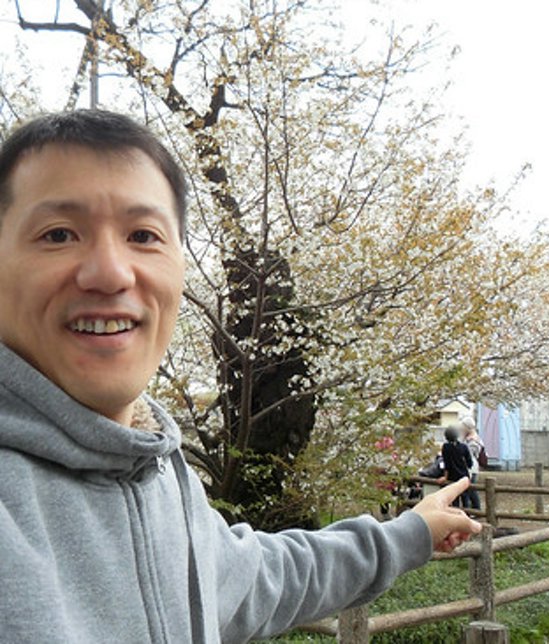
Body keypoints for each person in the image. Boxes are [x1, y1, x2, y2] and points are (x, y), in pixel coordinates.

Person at [0, 109, 481, 642]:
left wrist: (408, 534)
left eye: (143, 235)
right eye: (59, 233)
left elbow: (255, 577)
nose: (111, 272)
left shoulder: (159, 471)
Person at [439, 427, 473, 509]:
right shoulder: (463, 447)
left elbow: (447, 463)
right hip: (463, 475)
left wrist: (445, 476)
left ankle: (456, 518)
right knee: (465, 499)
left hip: (452, 476)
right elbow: (469, 463)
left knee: (455, 500)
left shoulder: (446, 447)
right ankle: (466, 516)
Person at [460, 417, 484, 510]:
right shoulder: (468, 438)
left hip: (471, 468)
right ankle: (472, 509)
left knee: (471, 489)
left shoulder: (473, 441)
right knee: (469, 489)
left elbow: (469, 455)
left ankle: (476, 509)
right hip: (469, 467)